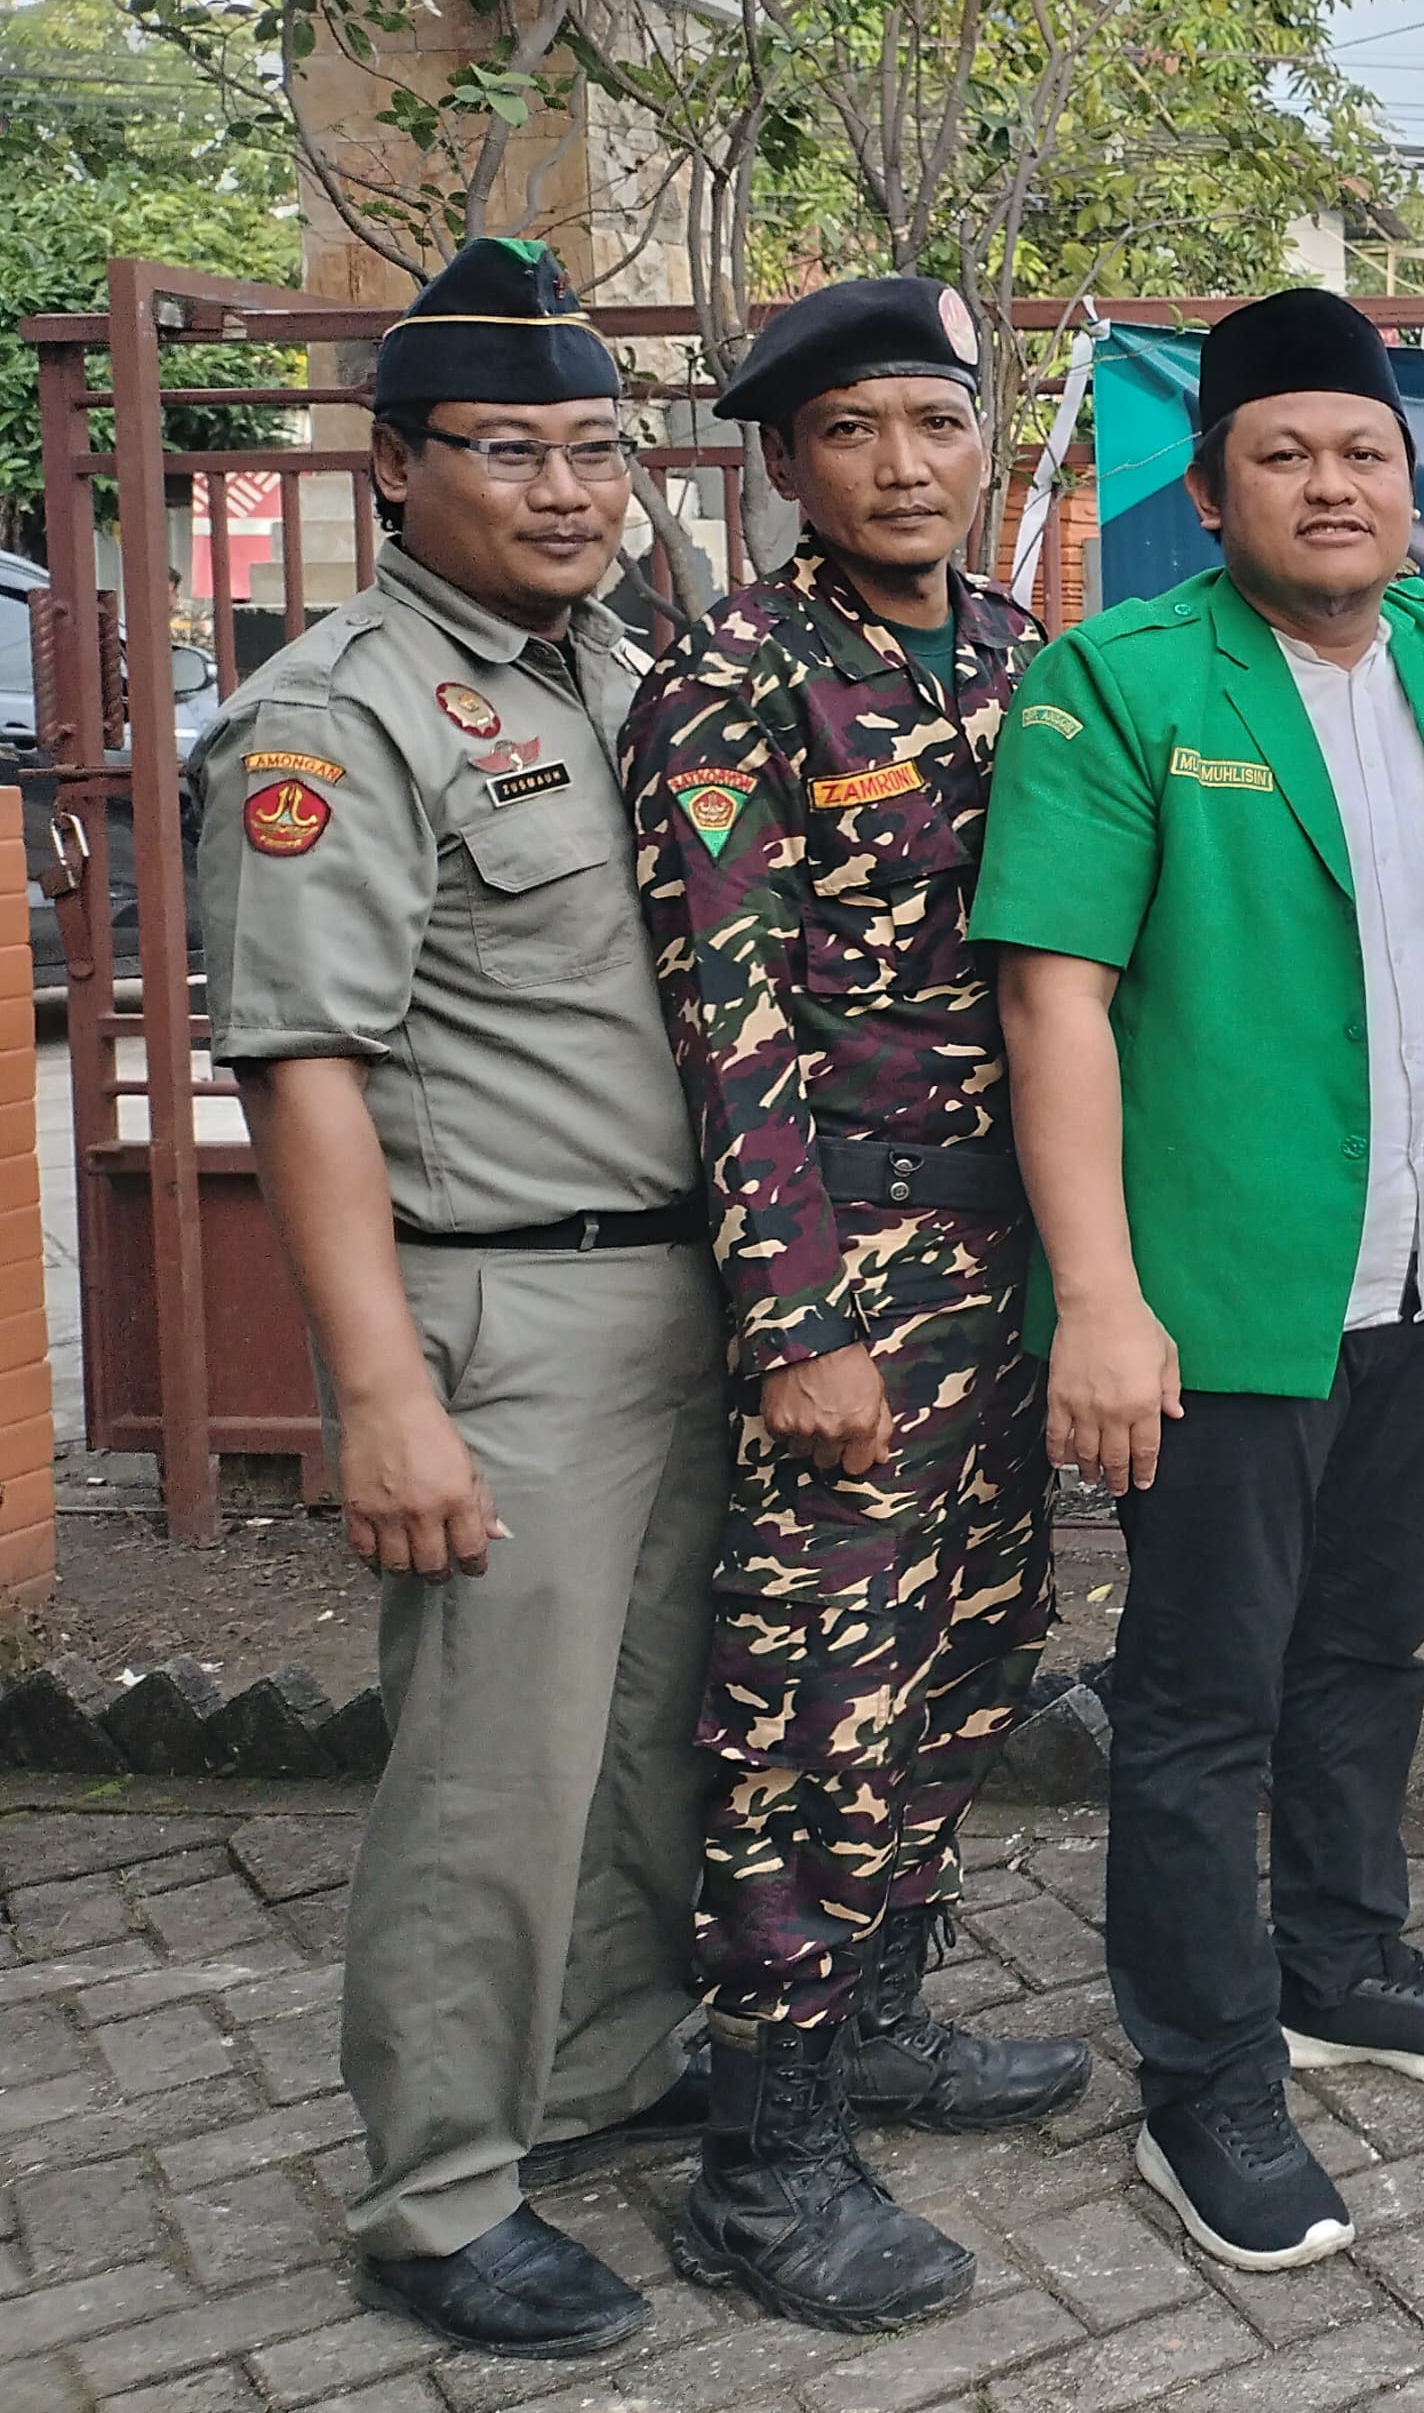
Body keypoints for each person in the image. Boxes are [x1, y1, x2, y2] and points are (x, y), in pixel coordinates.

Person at [189, 237, 723, 2359]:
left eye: (598, 449)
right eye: (513, 452)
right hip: (499, 1318)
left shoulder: (604, 672)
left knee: (635, 1748)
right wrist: (380, 1393)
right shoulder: (337, 716)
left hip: (673, 1303)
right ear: (395, 467)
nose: (569, 489)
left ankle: (591, 2076)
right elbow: (301, 1069)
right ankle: (433, 2196)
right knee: (491, 1778)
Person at [975, 288, 1424, 2277]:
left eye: (1364, 454)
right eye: (1287, 455)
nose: (1332, 485)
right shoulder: (1112, 682)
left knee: (1366, 1652)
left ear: (1408, 485)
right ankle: (1203, 2077)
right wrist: (1105, 1300)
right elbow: (1054, 1004)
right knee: (1200, 1703)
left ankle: (1343, 1966)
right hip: (1217, 1294)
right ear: (1210, 489)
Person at [624, 275, 1086, 2334]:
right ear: (786, 463)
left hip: (1015, 1256)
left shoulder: (1022, 656)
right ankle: (761, 2159)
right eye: (853, 432)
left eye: (932, 421)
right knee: (813, 1703)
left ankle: (884, 2021)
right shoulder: (729, 680)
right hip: (855, 1272)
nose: (904, 464)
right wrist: (801, 1324)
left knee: (976, 1651)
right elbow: (728, 1037)